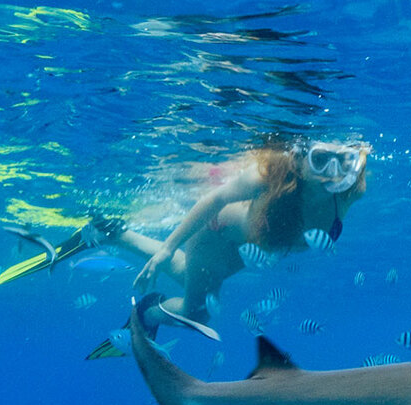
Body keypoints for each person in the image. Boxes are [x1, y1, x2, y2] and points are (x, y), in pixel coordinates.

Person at [119, 139, 369, 337]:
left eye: (343, 161)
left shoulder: (351, 192)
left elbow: (362, 156)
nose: (333, 171)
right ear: (298, 161)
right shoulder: (272, 175)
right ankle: (147, 313)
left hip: (249, 246)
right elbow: (216, 199)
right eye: (321, 159)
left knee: (191, 276)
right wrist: (167, 249)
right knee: (196, 315)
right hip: (216, 235)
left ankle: (113, 234)